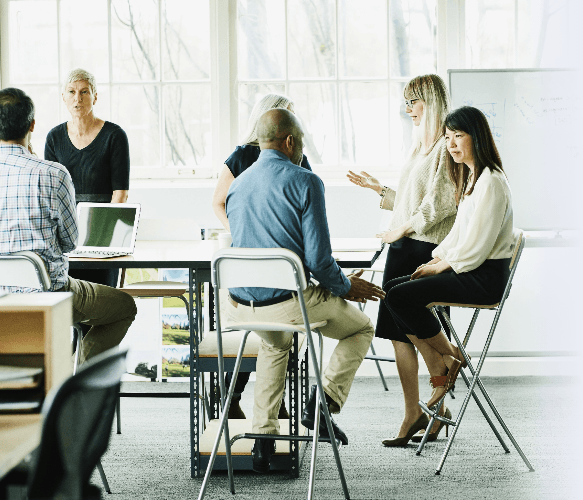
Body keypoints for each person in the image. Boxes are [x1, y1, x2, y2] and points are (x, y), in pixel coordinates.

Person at [225, 108, 385, 473]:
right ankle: (322, 404)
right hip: (285, 303)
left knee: (275, 342)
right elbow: (318, 260)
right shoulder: (305, 181)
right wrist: (346, 286)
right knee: (361, 328)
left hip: (239, 305)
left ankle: (262, 442)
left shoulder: (238, 183)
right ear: (290, 142)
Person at [382, 106, 517, 441]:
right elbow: (458, 234)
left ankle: (448, 359)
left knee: (400, 296)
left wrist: (442, 264)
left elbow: (477, 246)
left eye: (459, 136)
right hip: (468, 268)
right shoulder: (473, 178)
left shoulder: (492, 182)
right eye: (448, 137)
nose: (452, 144)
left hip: (482, 278)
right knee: (393, 292)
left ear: (478, 137)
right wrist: (436, 259)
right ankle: (447, 356)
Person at [347, 74, 457, 445]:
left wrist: (402, 229)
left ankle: (435, 403)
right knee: (397, 335)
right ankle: (417, 412)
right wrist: (379, 189)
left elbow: (441, 205)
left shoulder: (446, 144)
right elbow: (413, 201)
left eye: (414, 101)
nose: (408, 109)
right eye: (406, 102)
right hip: (403, 246)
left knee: (416, 327)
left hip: (423, 249)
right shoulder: (418, 146)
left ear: (431, 100)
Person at [0, 87, 137, 364]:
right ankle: (82, 390)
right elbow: (70, 242)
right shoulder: (53, 173)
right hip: (49, 295)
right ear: (32, 125)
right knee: (124, 306)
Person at [212, 94, 312, 419]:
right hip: (251, 265)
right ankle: (235, 396)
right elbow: (219, 201)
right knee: (262, 331)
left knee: (274, 332)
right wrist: (243, 232)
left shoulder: (298, 156)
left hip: (281, 262)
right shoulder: (242, 155)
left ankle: (267, 400)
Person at [45, 68, 130, 289]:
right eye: (71, 92)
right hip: (65, 235)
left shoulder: (114, 135)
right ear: (63, 97)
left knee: (105, 300)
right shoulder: (54, 138)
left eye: (84, 92)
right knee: (71, 303)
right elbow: (50, 194)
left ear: (95, 96)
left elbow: (120, 193)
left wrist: (102, 239)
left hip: (105, 231)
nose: (77, 98)